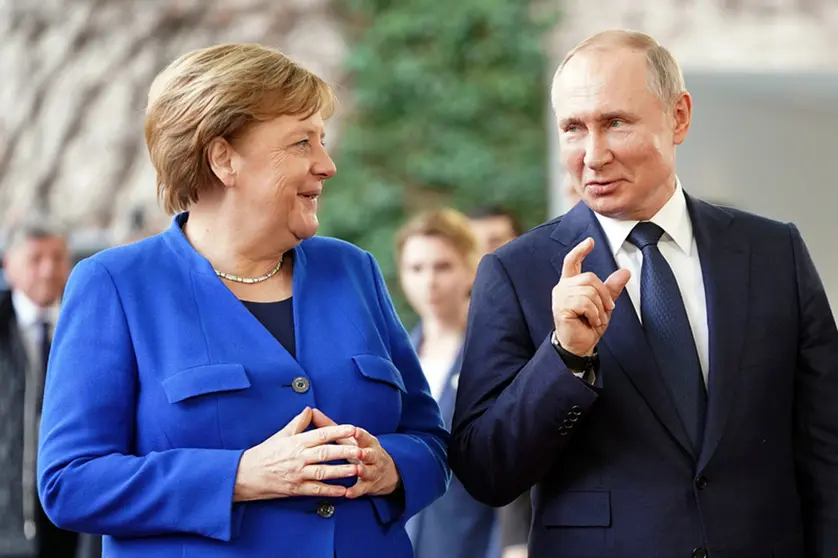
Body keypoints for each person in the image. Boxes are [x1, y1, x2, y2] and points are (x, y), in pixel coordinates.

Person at [36, 43, 450, 558]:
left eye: (321, 141)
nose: (327, 165)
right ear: (223, 158)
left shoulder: (353, 270)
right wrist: (240, 475)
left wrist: (390, 465)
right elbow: (69, 484)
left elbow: (431, 443)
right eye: (302, 142)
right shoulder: (114, 284)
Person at [449, 29, 838, 558]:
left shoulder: (774, 252)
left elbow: (826, 447)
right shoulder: (516, 272)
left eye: (614, 123)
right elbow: (485, 470)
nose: (593, 155)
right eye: (573, 128)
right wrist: (564, 359)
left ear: (678, 117)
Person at [397, 209, 498, 558]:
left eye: (442, 266)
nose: (429, 282)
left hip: (475, 538)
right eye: (416, 269)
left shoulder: (494, 353)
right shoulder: (393, 357)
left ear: (471, 268)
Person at [0, 222, 76, 558]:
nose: (48, 270)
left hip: (72, 522)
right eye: (35, 259)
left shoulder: (90, 323)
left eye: (57, 257)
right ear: (8, 265)